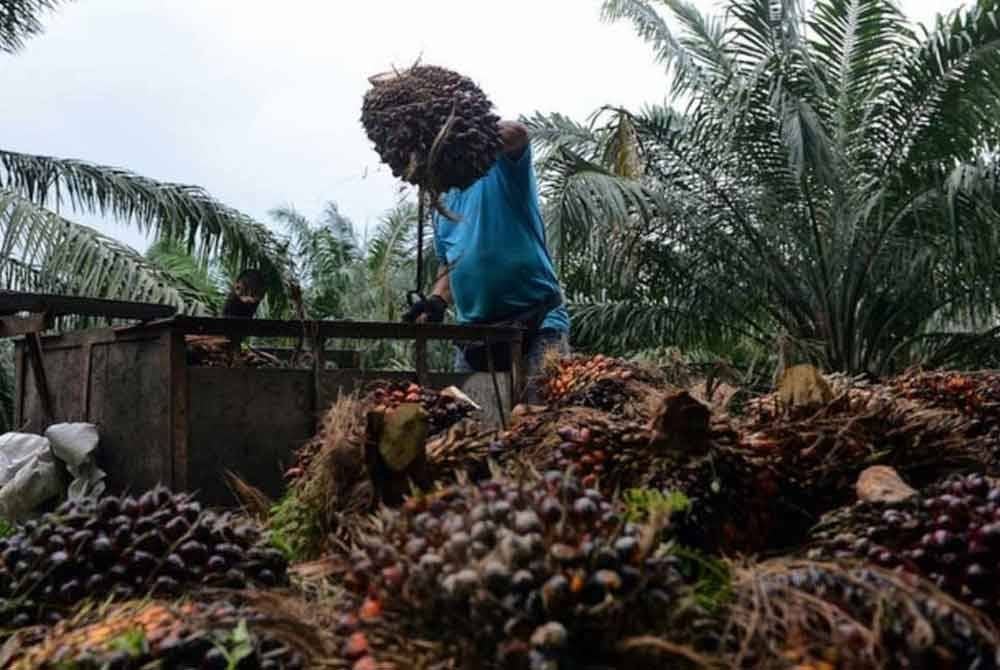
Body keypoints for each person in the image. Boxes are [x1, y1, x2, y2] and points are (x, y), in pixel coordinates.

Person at [402, 120, 570, 401]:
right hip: (475, 340)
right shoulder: (442, 204)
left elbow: (518, 135)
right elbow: (449, 265)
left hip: (538, 328)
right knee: (473, 435)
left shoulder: (500, 170)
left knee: (542, 429)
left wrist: (465, 132)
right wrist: (436, 300)